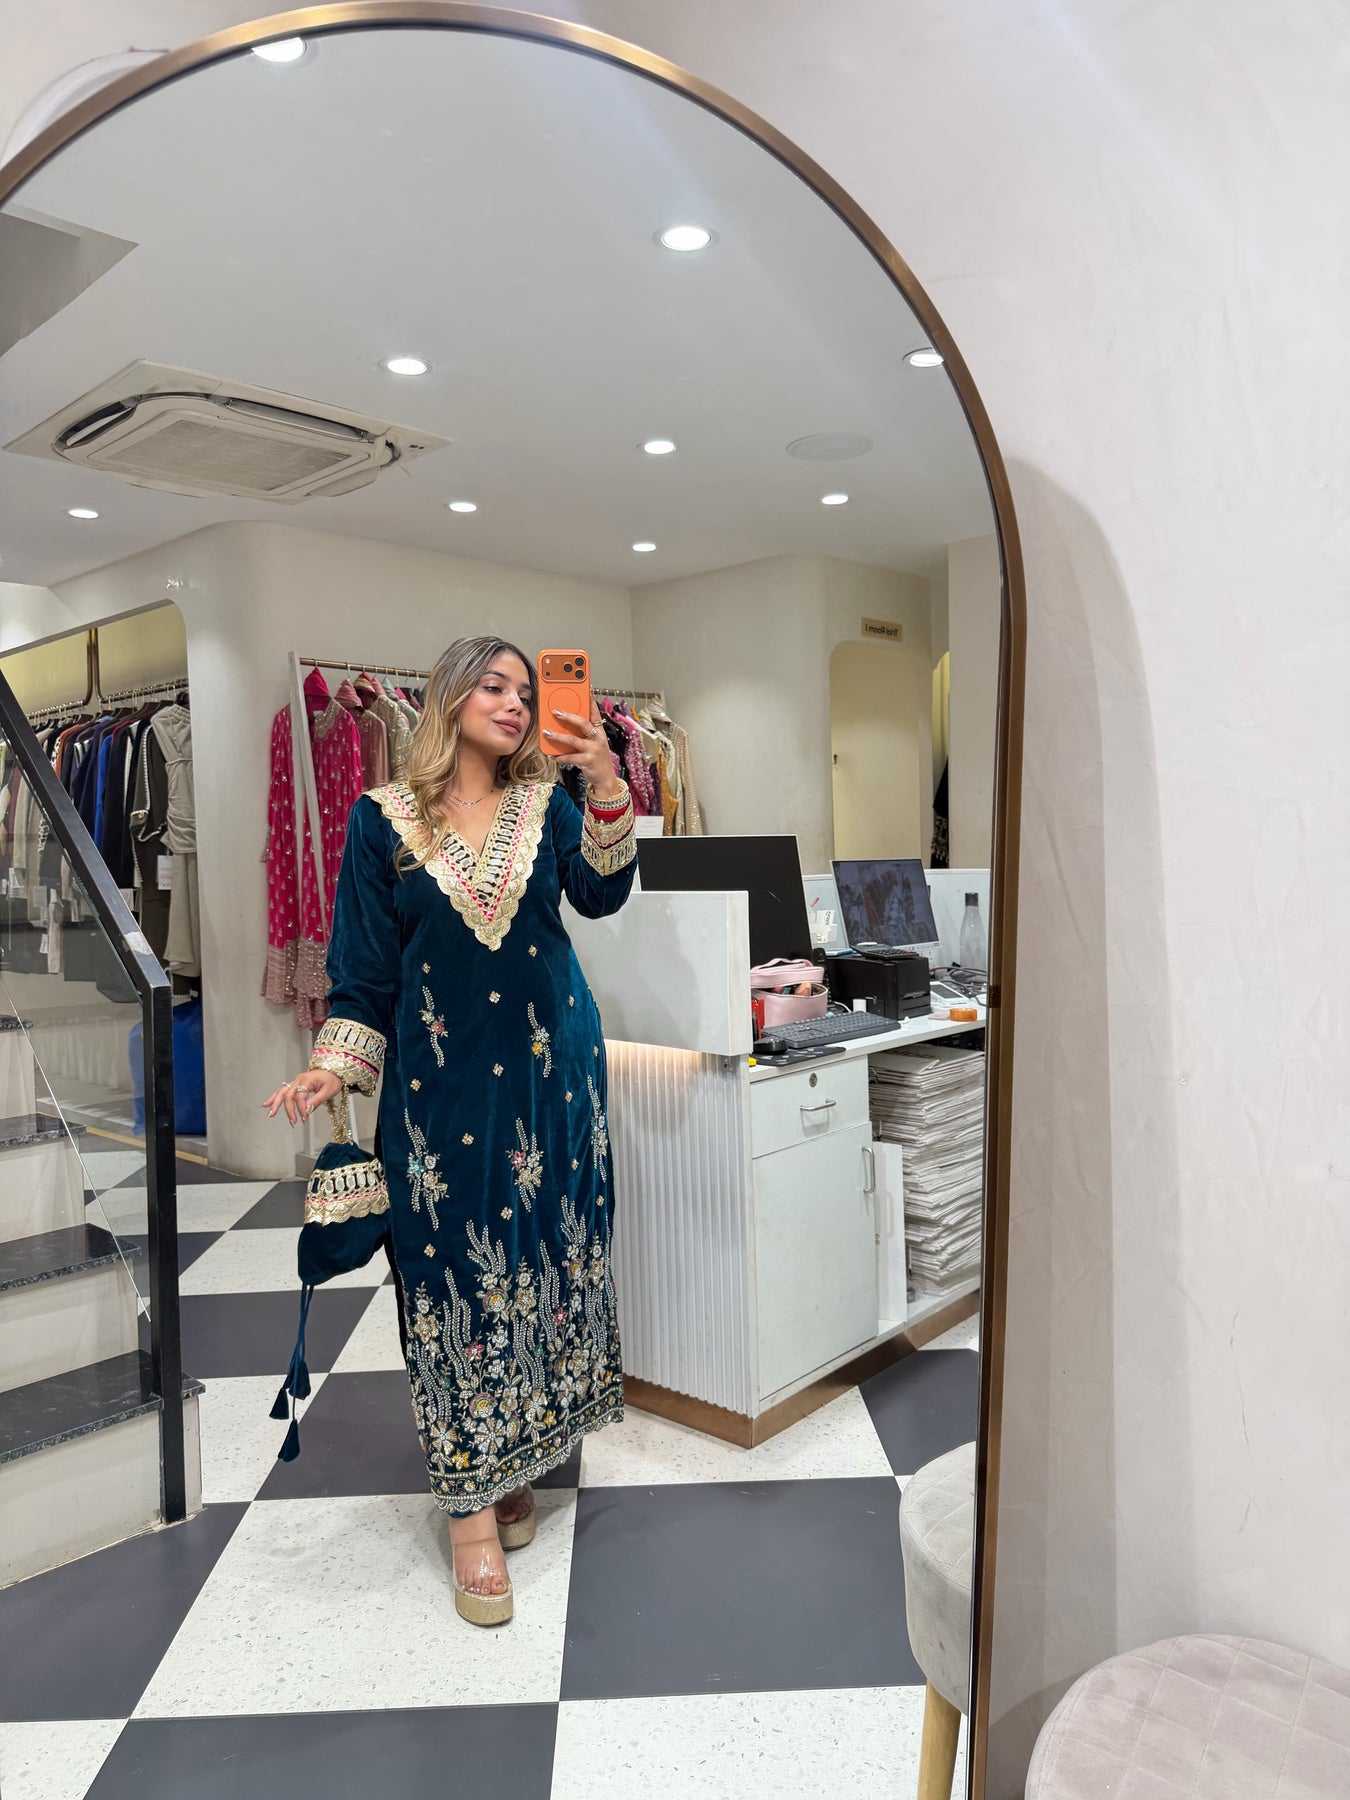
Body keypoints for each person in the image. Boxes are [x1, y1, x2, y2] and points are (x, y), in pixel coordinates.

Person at [263, 636, 636, 1626]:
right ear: (449, 698)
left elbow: (602, 894)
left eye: (526, 691)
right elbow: (364, 973)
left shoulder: (547, 803)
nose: (515, 704)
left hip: (555, 1083)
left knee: (542, 1266)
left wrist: (602, 775)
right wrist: (334, 1064)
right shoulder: (379, 818)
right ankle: (469, 1510)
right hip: (440, 1100)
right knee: (451, 1281)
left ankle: (511, 1466)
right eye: (495, 687)